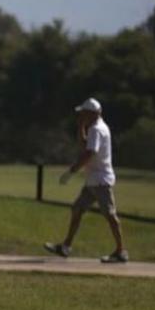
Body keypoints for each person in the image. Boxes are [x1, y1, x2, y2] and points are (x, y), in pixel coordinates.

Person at [44, 97, 128, 263]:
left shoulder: (97, 129)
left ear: (92, 113)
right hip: (93, 181)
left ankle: (121, 252)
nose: (81, 115)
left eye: (83, 113)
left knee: (110, 215)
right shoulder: (95, 128)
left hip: (101, 181)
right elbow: (85, 146)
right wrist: (81, 126)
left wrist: (72, 171)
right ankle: (66, 246)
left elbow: (89, 153)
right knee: (77, 209)